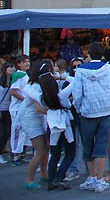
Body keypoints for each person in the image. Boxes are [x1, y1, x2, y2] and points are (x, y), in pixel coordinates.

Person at [64, 42, 110, 193]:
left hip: (87, 112)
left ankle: (91, 177)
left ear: (89, 54)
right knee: (102, 144)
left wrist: (79, 108)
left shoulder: (81, 71)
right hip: (105, 111)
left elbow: (77, 94)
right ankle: (100, 179)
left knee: (87, 144)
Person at [39, 61, 76, 191]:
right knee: (70, 152)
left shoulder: (43, 98)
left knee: (55, 153)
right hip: (65, 123)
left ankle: (51, 180)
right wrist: (61, 77)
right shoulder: (62, 95)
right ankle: (58, 178)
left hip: (52, 124)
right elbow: (76, 81)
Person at [16, 60, 53, 190]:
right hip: (31, 120)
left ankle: (44, 173)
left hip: (34, 119)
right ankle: (29, 180)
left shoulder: (34, 84)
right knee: (40, 150)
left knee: (45, 147)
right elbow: (39, 107)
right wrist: (54, 112)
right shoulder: (36, 87)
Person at [9, 55, 31, 166]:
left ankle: (20, 152)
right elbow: (13, 91)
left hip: (24, 108)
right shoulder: (18, 75)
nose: (27, 63)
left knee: (23, 131)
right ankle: (15, 154)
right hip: (17, 108)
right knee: (17, 131)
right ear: (19, 64)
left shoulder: (25, 75)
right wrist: (25, 100)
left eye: (28, 61)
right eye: (24, 62)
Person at [0, 62, 14, 164]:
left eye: (13, 67)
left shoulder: (14, 81)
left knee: (8, 132)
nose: (12, 69)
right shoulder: (1, 80)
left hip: (8, 109)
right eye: (9, 67)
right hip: (0, 109)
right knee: (2, 133)